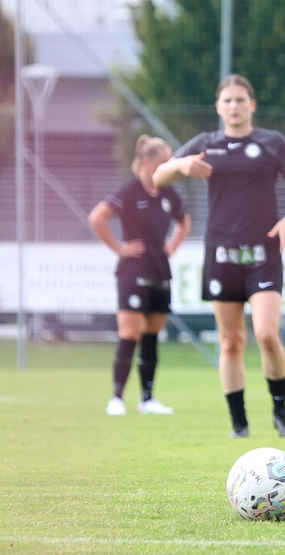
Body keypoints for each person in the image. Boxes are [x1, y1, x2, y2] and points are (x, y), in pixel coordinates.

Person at [153, 74, 285, 438]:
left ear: (252, 105)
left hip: (263, 255)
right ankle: (238, 423)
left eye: (240, 100)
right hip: (221, 255)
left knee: (266, 334)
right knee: (230, 341)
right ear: (218, 107)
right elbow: (158, 177)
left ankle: (280, 412)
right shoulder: (205, 144)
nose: (234, 106)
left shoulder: (272, 143)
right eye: (227, 100)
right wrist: (179, 166)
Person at [89, 135, 192, 416]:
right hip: (133, 273)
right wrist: (119, 248)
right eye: (165, 161)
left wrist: (172, 245)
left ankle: (147, 399)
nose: (170, 166)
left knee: (151, 336)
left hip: (160, 273)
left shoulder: (169, 194)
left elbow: (185, 222)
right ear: (148, 162)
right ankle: (116, 398)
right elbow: (97, 217)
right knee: (129, 334)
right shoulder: (130, 191)